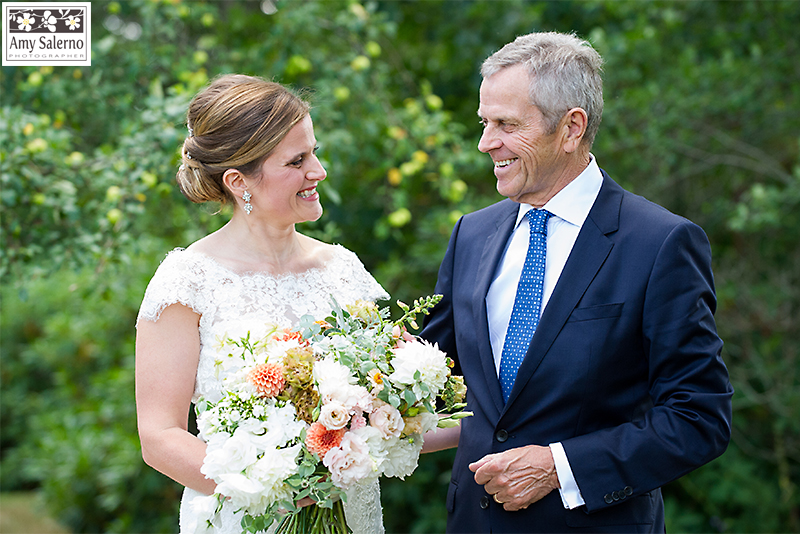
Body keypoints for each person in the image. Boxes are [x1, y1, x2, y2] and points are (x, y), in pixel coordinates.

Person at [420, 32, 733, 533]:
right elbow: (429, 379)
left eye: (506, 124)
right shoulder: (470, 234)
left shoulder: (660, 243)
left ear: (571, 128)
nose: (485, 142)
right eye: (485, 123)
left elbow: (698, 418)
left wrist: (560, 467)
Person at [135, 74, 387, 534]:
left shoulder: (344, 270)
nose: (318, 171)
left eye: (314, 151)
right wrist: (281, 489)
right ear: (238, 181)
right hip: (242, 518)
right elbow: (159, 437)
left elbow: (393, 412)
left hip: (353, 515)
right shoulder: (188, 281)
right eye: (296, 160)